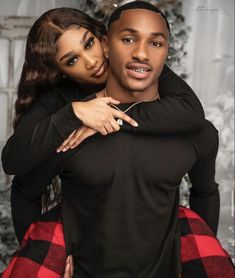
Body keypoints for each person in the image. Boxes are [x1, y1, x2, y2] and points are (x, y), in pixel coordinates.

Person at [2, 2, 234, 278]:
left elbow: (192, 113)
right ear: (60, 70)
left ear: (104, 41)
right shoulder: (61, 110)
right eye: (72, 60)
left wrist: (112, 114)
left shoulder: (147, 71)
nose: (92, 62)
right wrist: (75, 113)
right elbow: (16, 167)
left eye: (89, 44)